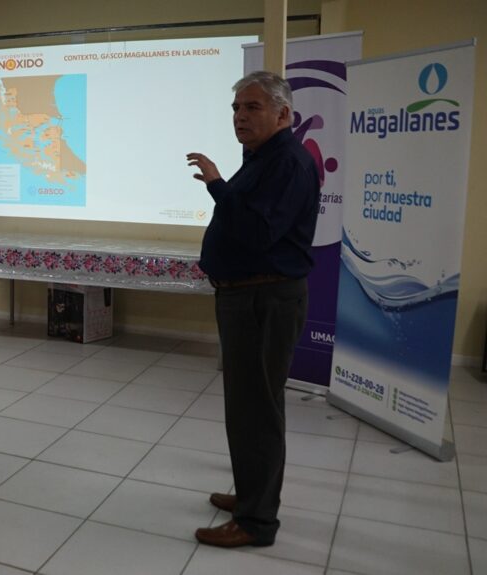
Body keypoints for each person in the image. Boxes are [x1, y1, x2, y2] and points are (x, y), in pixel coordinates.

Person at [186, 70, 319, 548]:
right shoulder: (263, 158)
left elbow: (257, 232)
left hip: (265, 300)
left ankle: (257, 522)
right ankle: (251, 495)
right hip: (248, 297)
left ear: (283, 114)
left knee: (256, 411)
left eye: (252, 107)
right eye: (236, 108)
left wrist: (217, 185)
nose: (240, 117)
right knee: (246, 407)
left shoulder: (287, 163)